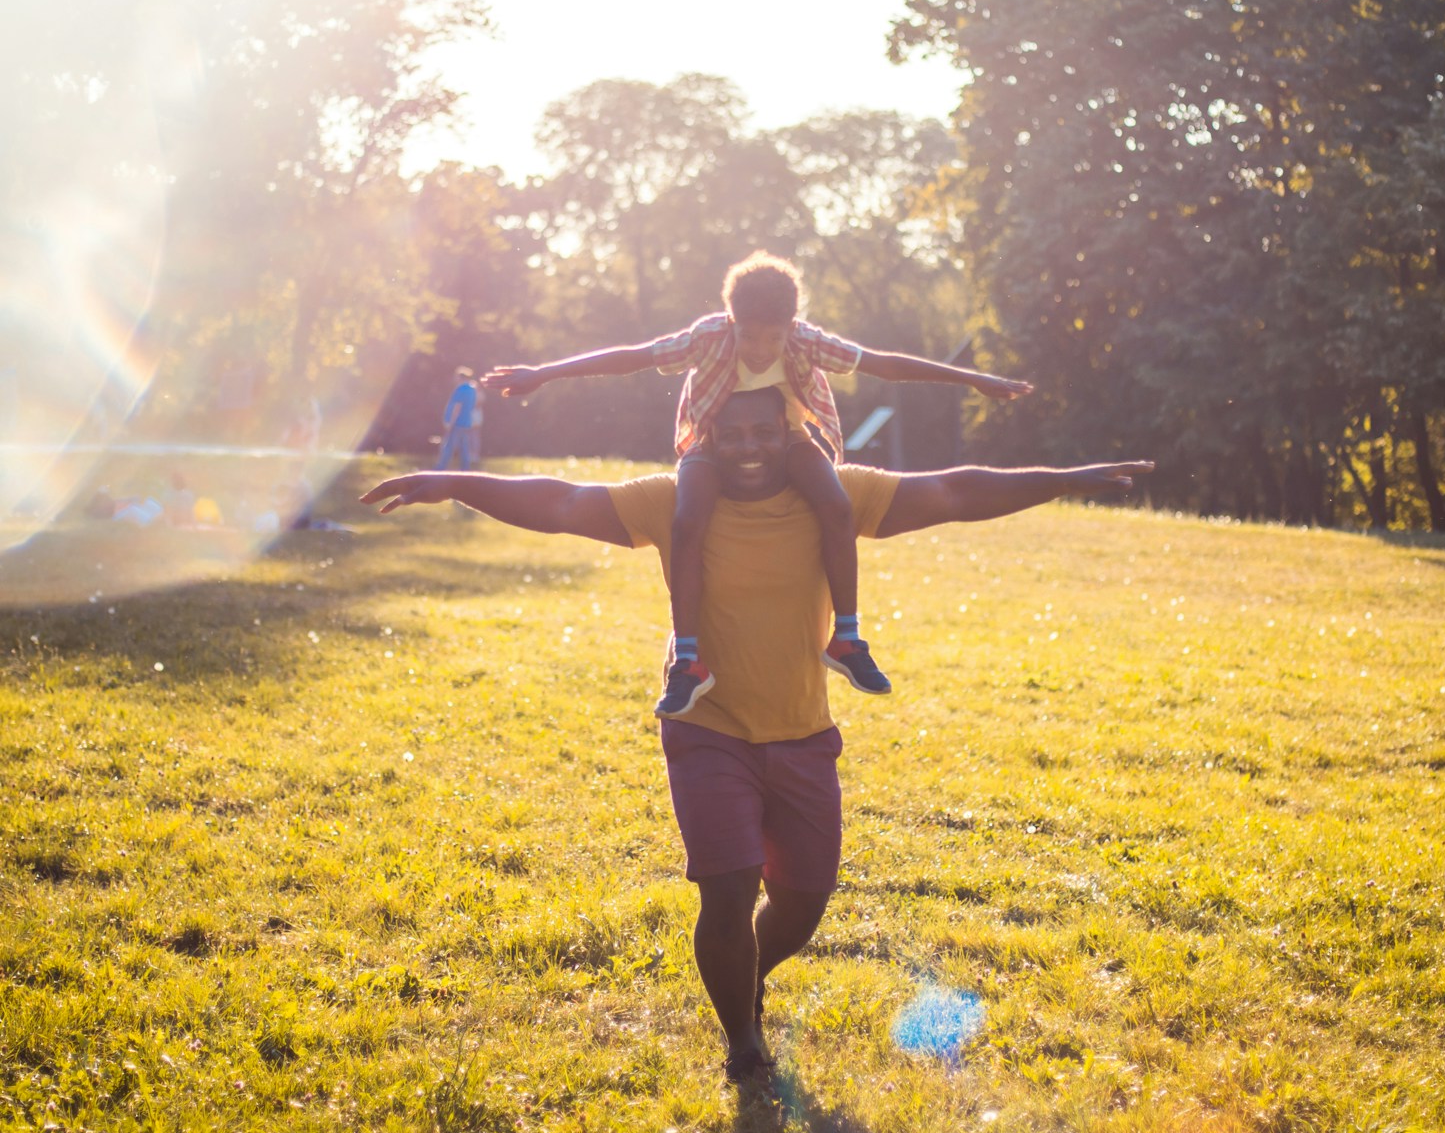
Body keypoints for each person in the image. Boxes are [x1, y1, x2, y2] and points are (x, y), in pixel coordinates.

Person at [362, 385, 1150, 1082]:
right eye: (730, 434)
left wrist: (1062, 479)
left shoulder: (837, 495)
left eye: (764, 433)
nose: (747, 448)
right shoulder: (671, 501)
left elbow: (950, 490)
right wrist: (452, 482)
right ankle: (742, 1040)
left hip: (803, 730)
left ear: (791, 433)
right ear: (705, 435)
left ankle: (744, 978)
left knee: (803, 901)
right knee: (729, 888)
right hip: (707, 728)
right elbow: (562, 504)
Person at [479, 252, 1034, 720]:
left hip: (788, 436)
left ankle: (847, 637)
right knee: (686, 520)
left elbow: (884, 365)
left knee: (837, 505)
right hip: (711, 440)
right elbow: (633, 358)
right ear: (731, 321)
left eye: (775, 336)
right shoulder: (708, 337)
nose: (762, 348)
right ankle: (689, 660)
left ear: (793, 325)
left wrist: (972, 379)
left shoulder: (805, 341)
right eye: (750, 335)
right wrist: (543, 374)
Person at [437, 367, 484, 471]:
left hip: (457, 422)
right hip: (466, 422)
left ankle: (440, 468)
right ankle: (465, 469)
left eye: (457, 376)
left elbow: (457, 407)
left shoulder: (460, 389)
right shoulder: (472, 390)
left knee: (449, 446)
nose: (455, 378)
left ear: (461, 377)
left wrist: (450, 422)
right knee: (464, 448)